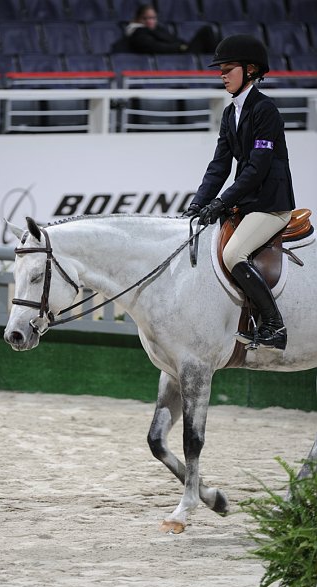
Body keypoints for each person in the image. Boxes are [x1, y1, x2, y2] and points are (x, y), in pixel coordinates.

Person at [185, 34, 295, 351]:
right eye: (220, 68)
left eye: (228, 68)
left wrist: (222, 202)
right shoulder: (230, 112)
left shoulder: (265, 111)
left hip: (271, 205)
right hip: (247, 204)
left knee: (234, 254)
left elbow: (257, 168)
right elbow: (219, 165)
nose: (221, 74)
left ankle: (275, 326)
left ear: (249, 70)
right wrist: (197, 204)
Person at [119, 4, 217, 55]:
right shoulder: (138, 34)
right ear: (139, 19)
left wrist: (182, 45)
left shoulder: (158, 29)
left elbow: (172, 39)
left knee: (207, 31)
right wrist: (179, 47)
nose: (151, 21)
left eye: (153, 18)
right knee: (206, 31)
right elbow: (157, 47)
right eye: (147, 18)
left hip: (180, 51)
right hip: (178, 55)